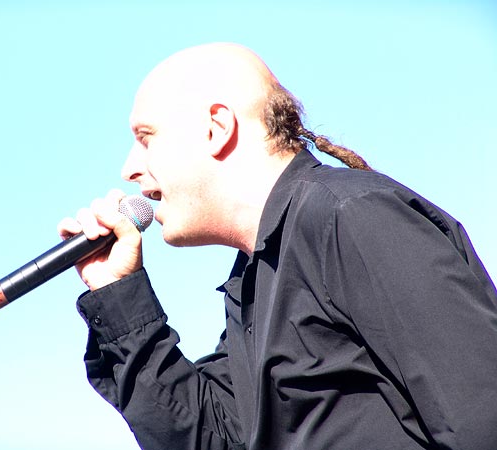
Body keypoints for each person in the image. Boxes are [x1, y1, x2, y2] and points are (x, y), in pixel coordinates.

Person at [57, 43, 497, 450]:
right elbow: (213, 437)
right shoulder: (256, 275)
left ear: (216, 128)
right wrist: (117, 291)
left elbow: (482, 416)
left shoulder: (349, 217)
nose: (129, 168)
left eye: (146, 137)